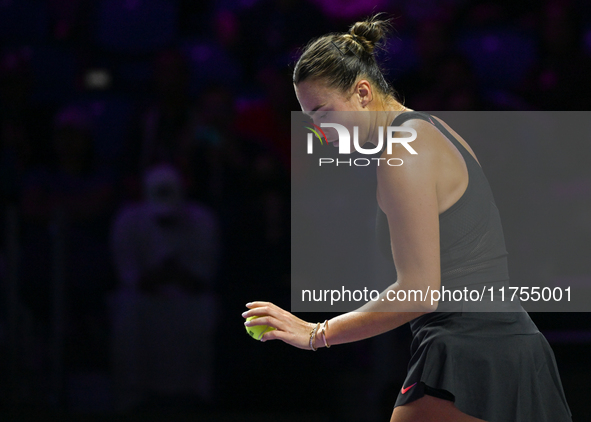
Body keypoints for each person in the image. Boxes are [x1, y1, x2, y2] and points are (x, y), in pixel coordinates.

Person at [241, 13, 573, 422]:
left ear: (362, 92)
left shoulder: (401, 154)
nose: (320, 133)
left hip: (469, 351)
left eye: (323, 113)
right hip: (508, 348)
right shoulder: (433, 130)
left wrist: (315, 334)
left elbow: (418, 291)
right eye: (311, 120)